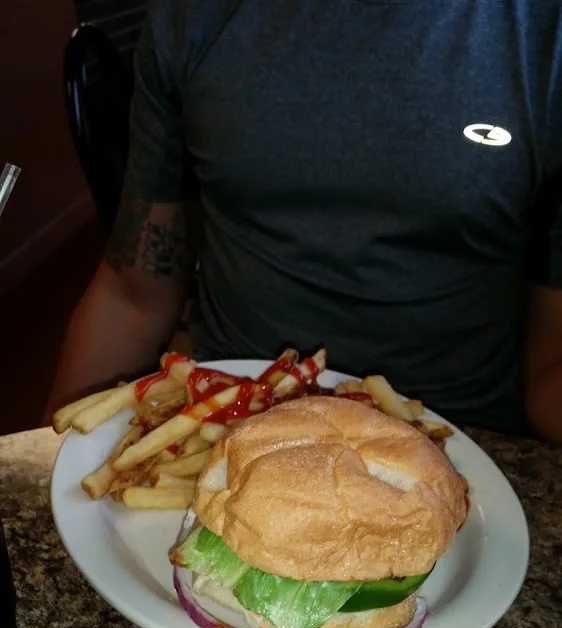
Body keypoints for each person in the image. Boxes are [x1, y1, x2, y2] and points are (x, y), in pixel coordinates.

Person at [48, 0, 562, 442]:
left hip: (464, 456)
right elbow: (131, 296)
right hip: (229, 436)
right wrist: (40, 478)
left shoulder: (546, 31)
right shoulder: (192, 14)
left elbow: (549, 369)